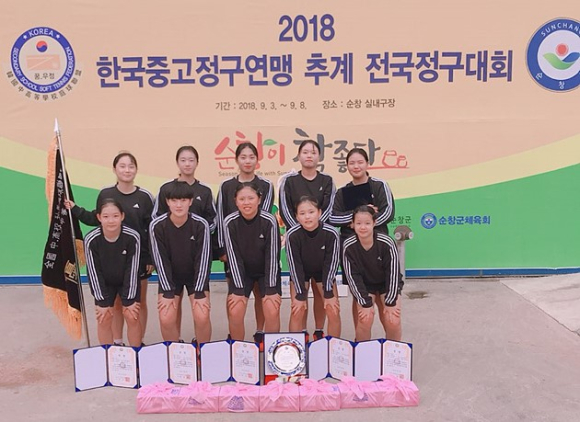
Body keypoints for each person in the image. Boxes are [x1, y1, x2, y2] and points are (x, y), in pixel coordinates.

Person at [65, 152, 153, 345]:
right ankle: (117, 342)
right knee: (115, 303)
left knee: (136, 303)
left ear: (136, 169)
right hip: (112, 257)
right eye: (122, 166)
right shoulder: (106, 194)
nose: (127, 170)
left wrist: (150, 258)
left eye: (131, 166)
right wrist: (75, 209)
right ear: (114, 169)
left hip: (138, 258)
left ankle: (138, 343)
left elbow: (150, 229)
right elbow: (94, 218)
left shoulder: (145, 196)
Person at [152, 145, 216, 340]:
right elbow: (160, 260)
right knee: (166, 317)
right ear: (167, 202)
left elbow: (203, 260)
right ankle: (175, 351)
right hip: (171, 275)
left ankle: (202, 350)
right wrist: (167, 290)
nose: (178, 205)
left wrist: (199, 291)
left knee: (202, 315)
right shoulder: (158, 226)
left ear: (190, 201)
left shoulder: (201, 224)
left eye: (183, 200)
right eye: (174, 201)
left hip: (195, 275)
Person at [216, 142, 274, 344]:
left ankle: (260, 330)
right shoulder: (226, 186)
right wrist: (222, 248)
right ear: (236, 160)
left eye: (251, 157)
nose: (247, 161)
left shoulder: (266, 185)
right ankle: (234, 334)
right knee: (234, 293)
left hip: (259, 246)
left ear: (257, 160)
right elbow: (221, 217)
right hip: (234, 247)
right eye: (243, 157)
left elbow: (263, 215)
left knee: (261, 293)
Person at [279, 139, 335, 340]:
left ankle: (319, 331)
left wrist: (315, 226)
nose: (309, 155)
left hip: (320, 238)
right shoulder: (289, 182)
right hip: (298, 240)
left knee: (321, 293)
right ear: (299, 156)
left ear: (319, 156)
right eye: (305, 152)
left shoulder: (327, 181)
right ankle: (300, 335)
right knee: (299, 295)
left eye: (313, 152)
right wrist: (299, 230)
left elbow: (328, 208)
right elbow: (285, 209)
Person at [223, 182, 281, 341]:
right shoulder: (229, 222)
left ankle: (271, 348)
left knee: (272, 308)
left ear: (259, 199)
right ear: (235, 201)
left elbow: (272, 256)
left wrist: (271, 288)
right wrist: (238, 289)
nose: (246, 202)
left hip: (266, 272)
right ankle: (238, 348)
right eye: (242, 199)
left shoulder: (269, 220)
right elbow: (233, 257)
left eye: (251, 198)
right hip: (242, 274)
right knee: (235, 310)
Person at [84, 199, 142, 347]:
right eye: (106, 216)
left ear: (122, 216)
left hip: (126, 282)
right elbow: (93, 272)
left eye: (115, 216)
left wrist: (129, 300)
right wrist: (102, 301)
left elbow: (132, 269)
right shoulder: (91, 239)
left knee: (132, 315)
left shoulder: (132, 236)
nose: (111, 221)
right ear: (99, 217)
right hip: (105, 283)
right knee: (104, 317)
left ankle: (136, 353)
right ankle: (108, 354)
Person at [342, 205, 403, 342]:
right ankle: (362, 350)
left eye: (367, 223)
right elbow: (353, 278)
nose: (363, 227)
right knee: (365, 318)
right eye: (359, 223)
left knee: (392, 319)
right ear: (352, 224)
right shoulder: (348, 246)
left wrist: (390, 302)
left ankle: (393, 351)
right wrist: (365, 303)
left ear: (374, 223)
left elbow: (393, 274)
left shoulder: (387, 242)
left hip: (386, 284)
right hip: (366, 285)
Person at [286, 196, 341, 337]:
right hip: (301, 273)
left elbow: (332, 264)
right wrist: (300, 294)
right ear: (296, 216)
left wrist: (328, 292)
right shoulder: (292, 235)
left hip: (323, 273)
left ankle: (331, 344)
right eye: (302, 213)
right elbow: (294, 266)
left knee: (333, 309)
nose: (307, 217)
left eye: (311, 212)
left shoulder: (331, 233)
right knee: (297, 309)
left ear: (319, 213)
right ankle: (295, 345)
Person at [330, 147, 395, 243]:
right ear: (347, 166)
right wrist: (358, 217)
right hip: (349, 242)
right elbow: (333, 218)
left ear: (367, 164)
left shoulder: (379, 185)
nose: (356, 166)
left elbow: (388, 213)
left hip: (377, 241)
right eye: (352, 163)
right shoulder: (342, 191)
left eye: (360, 162)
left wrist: (365, 225)